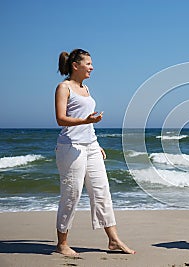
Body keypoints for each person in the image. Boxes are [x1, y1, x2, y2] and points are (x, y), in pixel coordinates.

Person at [54, 48, 135, 256]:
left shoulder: (86, 89)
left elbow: (87, 124)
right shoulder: (64, 88)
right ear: (76, 66)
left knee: (101, 192)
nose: (92, 67)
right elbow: (61, 119)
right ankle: (62, 243)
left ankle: (114, 240)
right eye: (88, 63)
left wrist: (95, 143)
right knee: (71, 194)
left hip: (90, 145)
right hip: (71, 148)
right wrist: (86, 121)